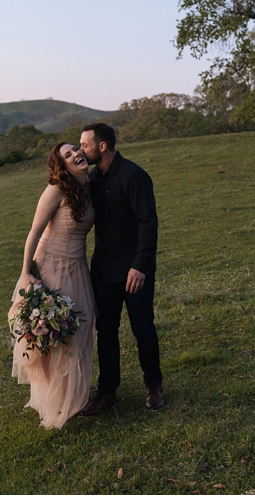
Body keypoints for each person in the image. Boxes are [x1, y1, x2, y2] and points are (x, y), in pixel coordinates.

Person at [78, 122, 164, 414]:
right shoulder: (93, 178)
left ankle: (154, 386)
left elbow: (148, 223)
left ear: (102, 146)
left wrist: (140, 266)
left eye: (85, 145)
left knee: (143, 329)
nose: (81, 150)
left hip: (134, 271)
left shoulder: (133, 175)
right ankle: (107, 391)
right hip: (103, 271)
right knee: (106, 332)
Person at [9, 143, 97, 429]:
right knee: (60, 335)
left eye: (75, 149)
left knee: (81, 332)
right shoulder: (56, 190)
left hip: (78, 267)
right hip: (53, 267)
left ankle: (73, 397)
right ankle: (55, 401)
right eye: (68, 156)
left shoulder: (88, 186)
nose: (75, 155)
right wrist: (25, 273)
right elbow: (34, 232)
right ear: (63, 166)